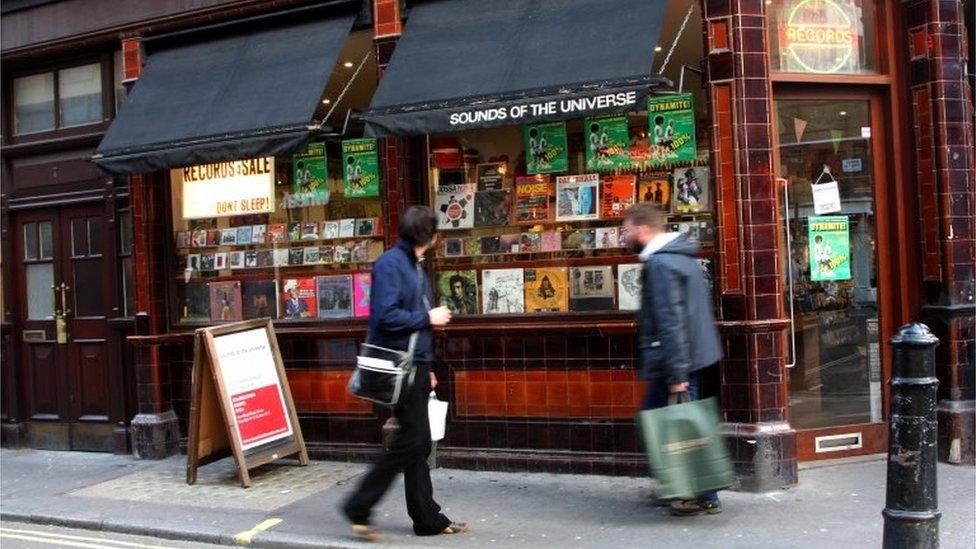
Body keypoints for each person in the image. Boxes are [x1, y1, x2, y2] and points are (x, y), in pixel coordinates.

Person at [342, 205, 467, 541]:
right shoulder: (391, 264)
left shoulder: (413, 265)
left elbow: (412, 321)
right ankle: (358, 505)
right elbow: (385, 317)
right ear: (429, 237)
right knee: (413, 440)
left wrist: (427, 366)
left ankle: (427, 518)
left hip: (415, 366)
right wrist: (430, 318)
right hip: (398, 366)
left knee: (417, 440)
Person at [622, 202, 724, 517]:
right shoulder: (681, 257)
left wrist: (677, 374)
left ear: (642, 229)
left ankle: (699, 493)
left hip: (676, 362)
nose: (623, 236)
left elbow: (671, 321)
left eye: (626, 230)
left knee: (678, 424)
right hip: (686, 357)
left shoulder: (661, 265)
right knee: (675, 420)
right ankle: (687, 488)